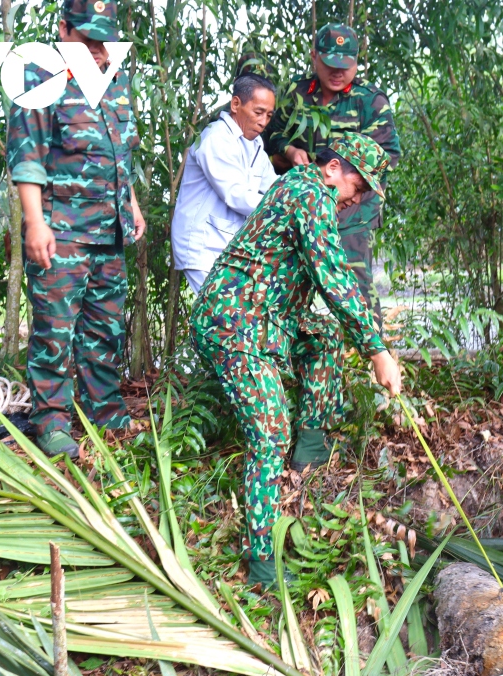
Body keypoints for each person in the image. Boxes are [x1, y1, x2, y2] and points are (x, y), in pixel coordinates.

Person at [190, 133, 402, 587]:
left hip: (268, 319)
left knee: (322, 336)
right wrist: (378, 350)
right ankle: (263, 563)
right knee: (268, 434)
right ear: (333, 170)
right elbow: (333, 276)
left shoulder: (305, 190)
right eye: (358, 187)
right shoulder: (309, 193)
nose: (357, 199)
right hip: (235, 324)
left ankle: (310, 448)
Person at [7, 0, 144, 458]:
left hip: (111, 230)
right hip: (61, 229)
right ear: (63, 29)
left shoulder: (116, 77)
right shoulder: (38, 74)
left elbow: (121, 151)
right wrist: (35, 223)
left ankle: (104, 409)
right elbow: (27, 155)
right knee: (55, 331)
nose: (97, 51)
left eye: (103, 42)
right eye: (87, 41)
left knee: (104, 329)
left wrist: (133, 204)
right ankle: (51, 422)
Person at [264, 23, 401, 324]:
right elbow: (270, 136)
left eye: (346, 66)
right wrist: (289, 151)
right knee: (293, 279)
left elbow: (389, 155)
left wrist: (351, 176)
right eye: (330, 65)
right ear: (314, 57)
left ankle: (367, 354)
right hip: (304, 205)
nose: (338, 73)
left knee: (354, 282)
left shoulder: (370, 101)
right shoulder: (296, 94)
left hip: (352, 211)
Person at [171, 74, 279, 294]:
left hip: (225, 246)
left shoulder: (255, 144)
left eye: (269, 115)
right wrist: (288, 205)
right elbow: (236, 195)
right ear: (236, 104)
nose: (263, 122)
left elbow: (275, 186)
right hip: (202, 247)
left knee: (228, 320)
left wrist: (299, 191)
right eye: (258, 112)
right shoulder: (216, 138)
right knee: (220, 319)